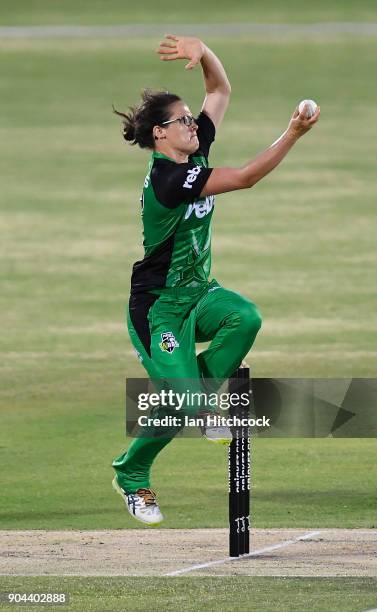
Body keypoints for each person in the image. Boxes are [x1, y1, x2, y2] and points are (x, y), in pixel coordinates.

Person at [112, 35, 320, 525]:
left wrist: (203, 52)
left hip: (200, 293)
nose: (193, 123)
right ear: (160, 135)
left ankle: (197, 401)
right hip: (157, 306)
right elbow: (246, 177)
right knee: (182, 404)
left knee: (244, 318)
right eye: (182, 120)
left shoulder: (191, 150)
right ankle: (131, 474)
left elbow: (221, 92)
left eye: (190, 118)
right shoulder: (169, 179)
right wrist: (290, 134)